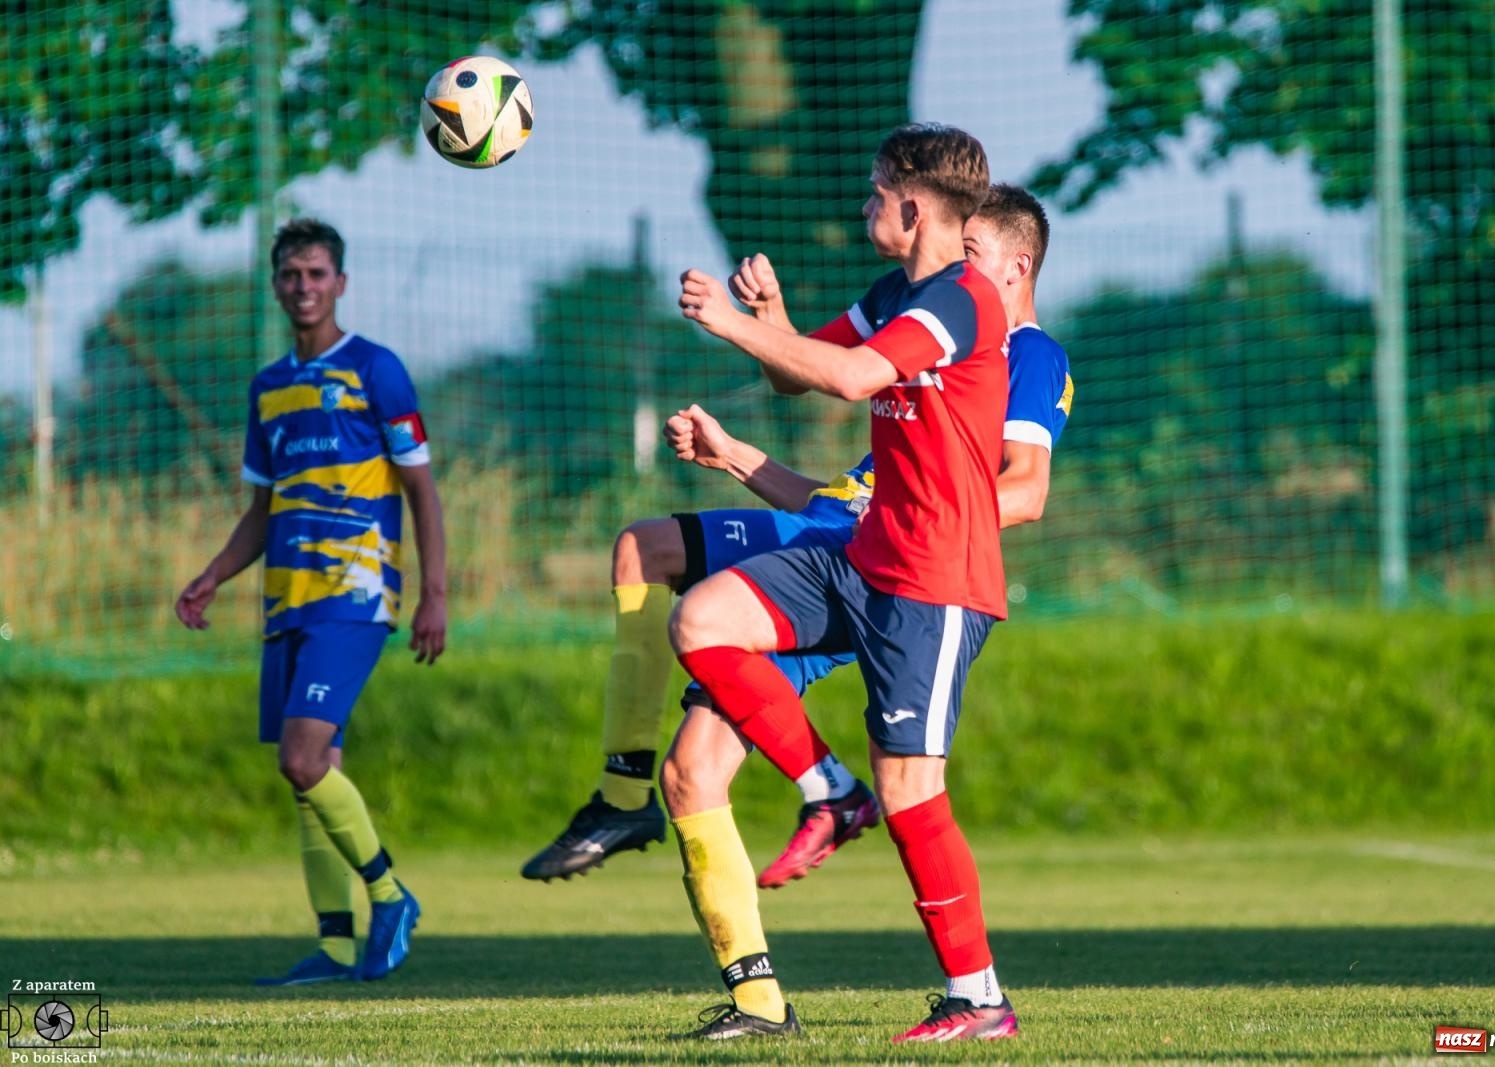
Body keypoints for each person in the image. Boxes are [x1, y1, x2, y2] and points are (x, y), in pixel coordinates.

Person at [520, 184, 1070, 893]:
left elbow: (1025, 490)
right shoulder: (910, 300)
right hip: (824, 537)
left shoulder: (1026, 353)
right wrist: (739, 448)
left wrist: (913, 519)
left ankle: (846, 821)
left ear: (1016, 267)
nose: (954, 263)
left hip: (882, 567)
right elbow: (806, 383)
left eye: (971, 251)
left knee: (880, 782)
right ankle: (636, 814)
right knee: (687, 755)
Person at [665, 122, 1017, 1042]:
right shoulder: (894, 292)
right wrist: (771, 324)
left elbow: (857, 378)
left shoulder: (962, 300)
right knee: (703, 617)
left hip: (936, 579)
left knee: (913, 792)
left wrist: (731, 322)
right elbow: (801, 377)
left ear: (912, 205)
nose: (865, 206)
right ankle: (827, 786)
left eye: (874, 193)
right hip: (863, 553)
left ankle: (978, 997)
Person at [175, 218, 447, 986]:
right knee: (312, 770)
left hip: (354, 597)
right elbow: (262, 511)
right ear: (276, 284)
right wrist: (212, 575)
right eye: (292, 275)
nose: (304, 287)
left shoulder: (376, 370)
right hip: (285, 600)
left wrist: (435, 594)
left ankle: (390, 895)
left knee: (302, 758)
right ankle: (333, 946)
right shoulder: (268, 388)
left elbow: (422, 490)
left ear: (341, 283)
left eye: (318, 274)